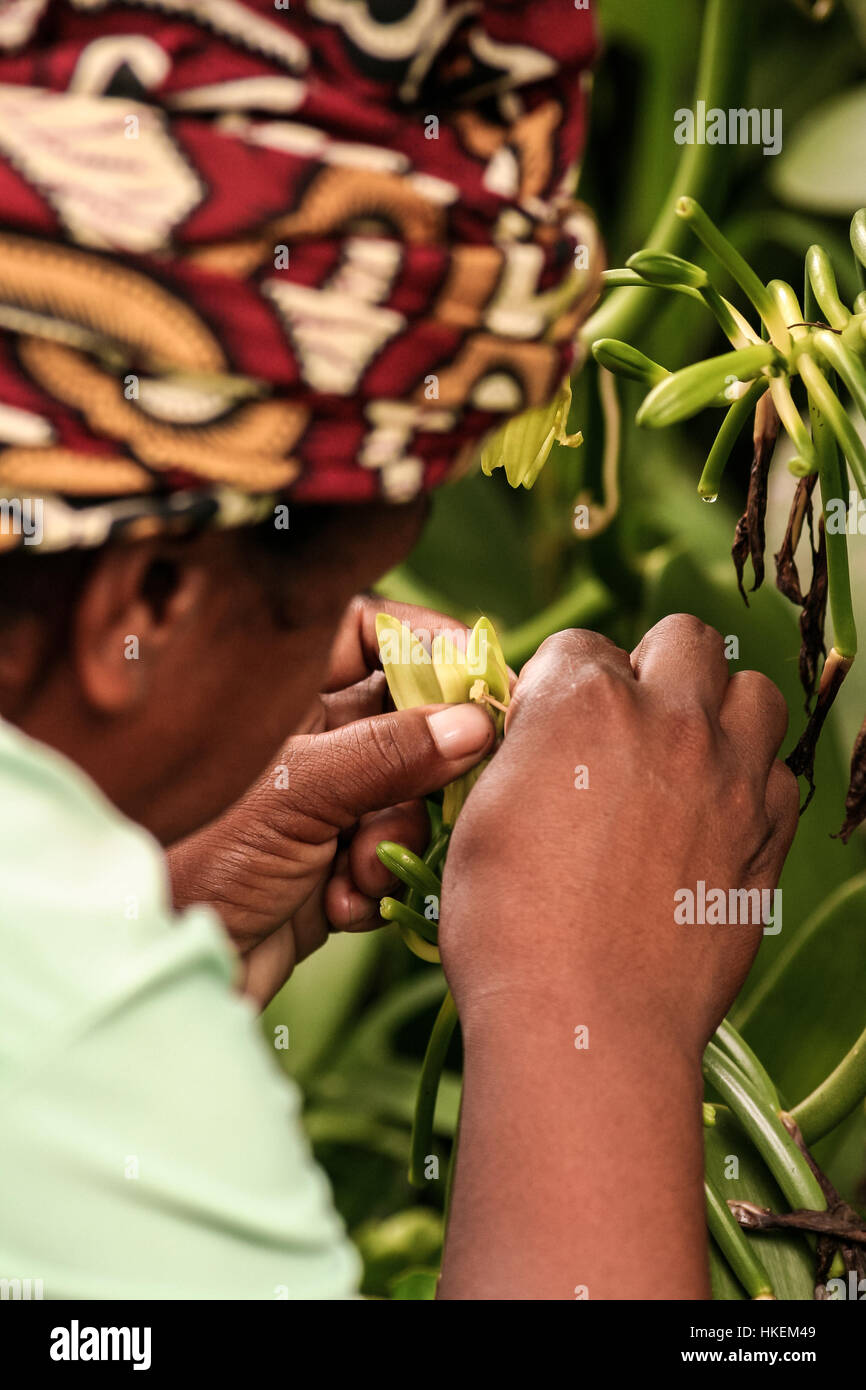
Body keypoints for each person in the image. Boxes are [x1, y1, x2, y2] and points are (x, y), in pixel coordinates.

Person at [0, 0, 798, 1300]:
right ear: (140, 599)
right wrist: (584, 1014)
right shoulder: (67, 1015)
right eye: (341, 586)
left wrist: (147, 901)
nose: (359, 639)